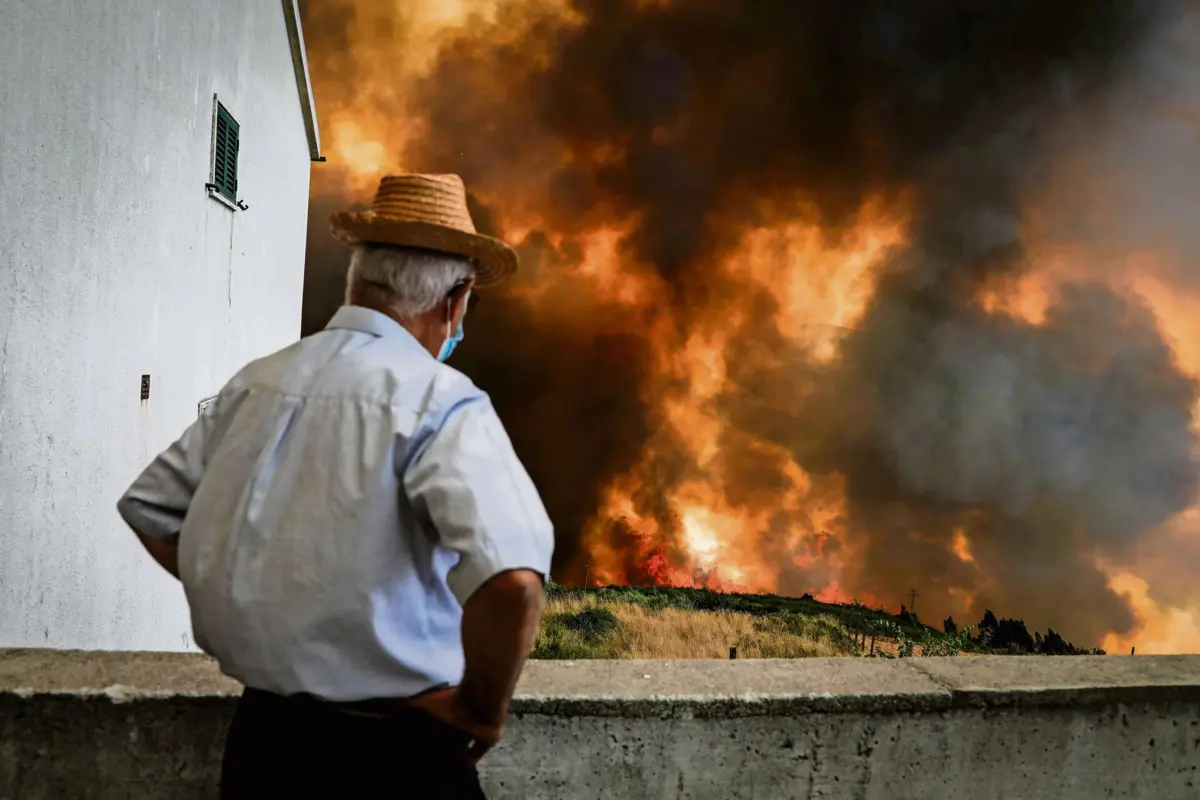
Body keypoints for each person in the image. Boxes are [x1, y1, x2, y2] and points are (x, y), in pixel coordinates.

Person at [116, 173, 554, 799]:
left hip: (263, 746)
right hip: (397, 754)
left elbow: (150, 509)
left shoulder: (258, 382)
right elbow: (513, 584)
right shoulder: (439, 401)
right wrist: (481, 713)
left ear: (358, 281)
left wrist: (251, 591)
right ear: (455, 301)